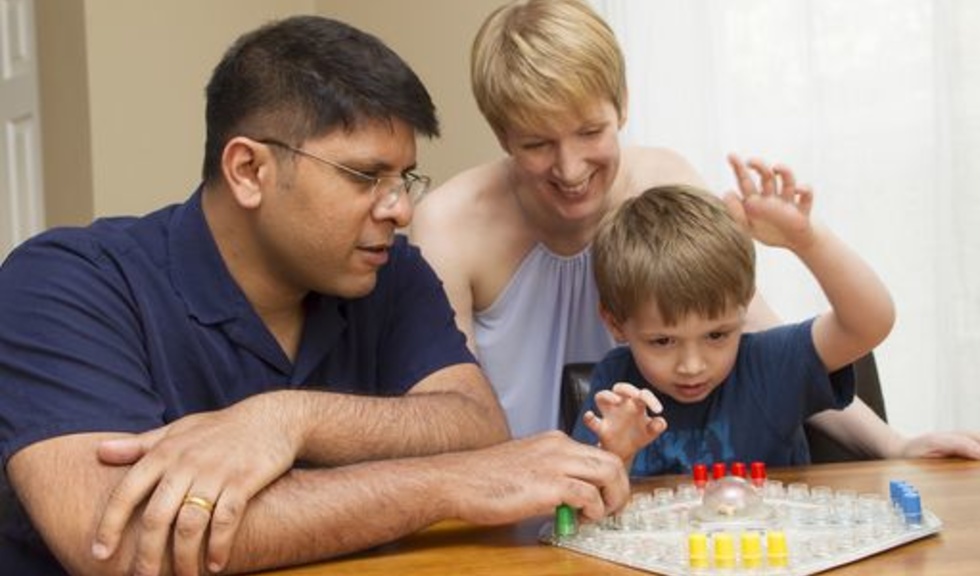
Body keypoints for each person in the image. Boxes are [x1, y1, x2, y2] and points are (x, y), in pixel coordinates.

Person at [0, 15, 629, 576]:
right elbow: (124, 541)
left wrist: (287, 420)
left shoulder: (391, 271)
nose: (402, 208)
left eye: (404, 176)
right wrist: (444, 485)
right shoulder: (64, 282)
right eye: (365, 176)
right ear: (249, 170)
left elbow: (472, 424)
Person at [410, 0, 980, 459]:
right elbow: (451, 415)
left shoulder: (663, 181)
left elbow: (760, 342)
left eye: (591, 132)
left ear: (622, 102)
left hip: (672, 486)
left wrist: (894, 444)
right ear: (500, 133)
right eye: (537, 144)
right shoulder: (450, 225)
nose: (570, 170)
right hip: (539, 498)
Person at [572, 159, 895, 474]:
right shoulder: (616, 386)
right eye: (663, 341)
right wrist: (617, 458)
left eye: (716, 335)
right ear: (615, 323)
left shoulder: (768, 365)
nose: (692, 365)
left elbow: (868, 324)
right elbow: (581, 510)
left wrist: (806, 241)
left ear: (745, 302)